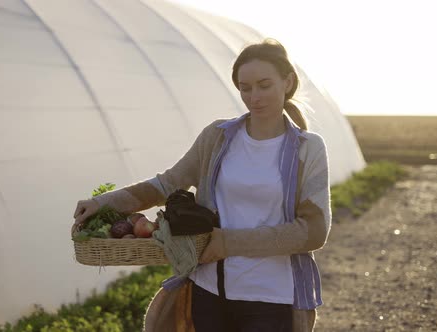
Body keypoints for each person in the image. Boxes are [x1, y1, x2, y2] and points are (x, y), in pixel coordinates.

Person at [73, 38, 331, 332]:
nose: (253, 97)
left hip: (271, 296)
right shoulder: (218, 138)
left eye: (264, 85)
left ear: (287, 82)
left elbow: (313, 231)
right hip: (208, 289)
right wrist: (104, 203)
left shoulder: (307, 148)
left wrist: (226, 243)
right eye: (244, 88)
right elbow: (166, 184)